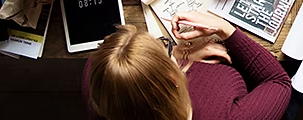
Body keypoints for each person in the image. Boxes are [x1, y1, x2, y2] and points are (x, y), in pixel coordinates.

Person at [85, 11, 291, 120]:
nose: (167, 45)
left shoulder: (103, 80)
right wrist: (225, 28)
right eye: (164, 46)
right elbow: (279, 82)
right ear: (173, 79)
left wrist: (180, 54)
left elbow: (110, 51)